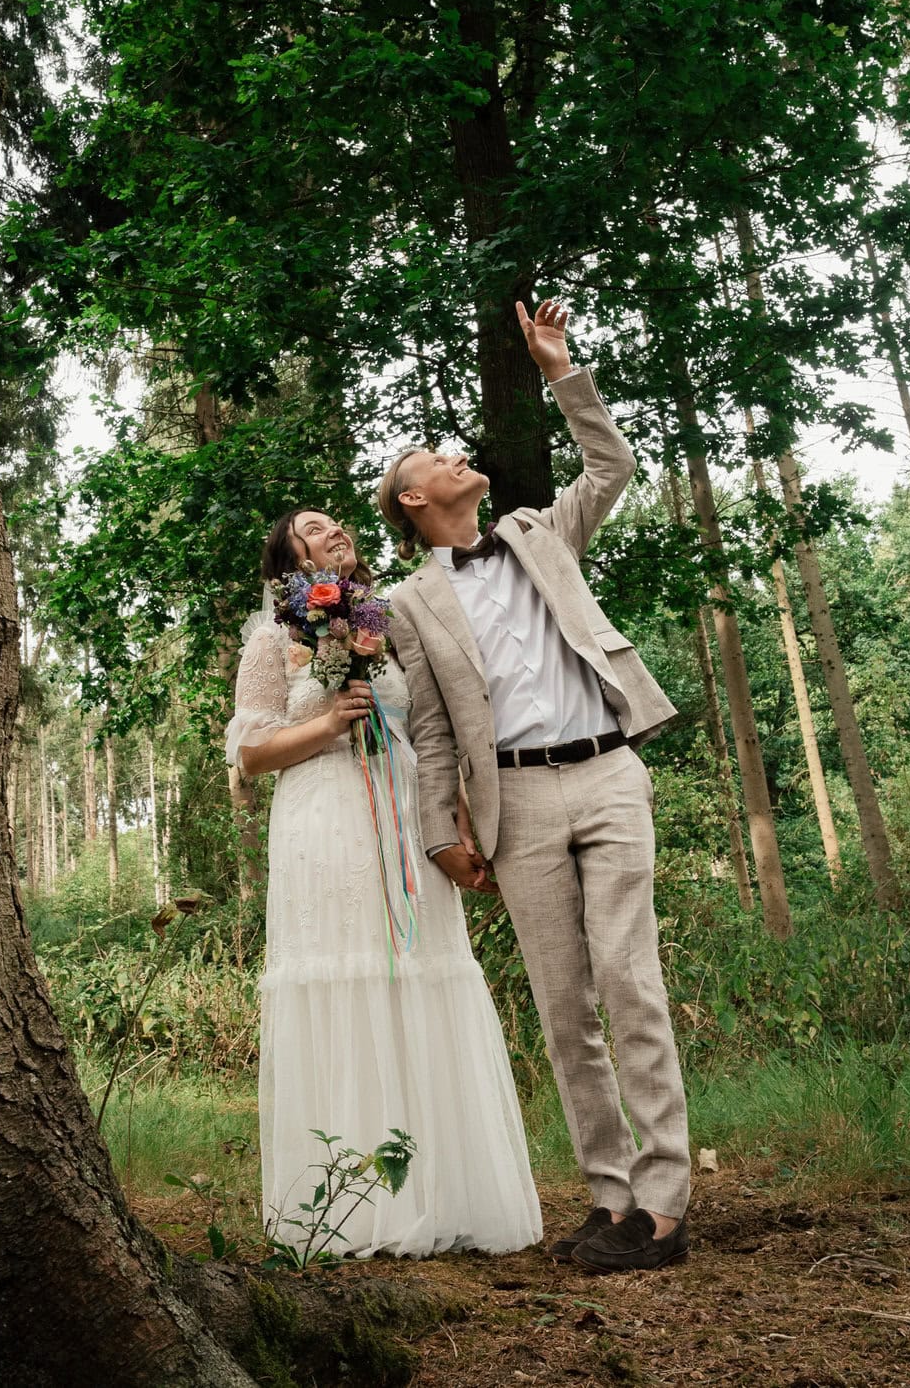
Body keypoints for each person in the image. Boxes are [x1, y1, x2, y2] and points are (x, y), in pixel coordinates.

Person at [379, 299, 691, 1274]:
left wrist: (561, 369)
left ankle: (664, 1206)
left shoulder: (537, 531)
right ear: (413, 501)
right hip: (513, 809)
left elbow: (613, 467)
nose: (453, 452)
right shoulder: (406, 605)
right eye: (433, 454)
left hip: (605, 772)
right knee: (564, 1008)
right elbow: (431, 732)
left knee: (629, 981)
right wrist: (443, 833)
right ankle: (608, 1200)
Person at [225, 509, 542, 1258]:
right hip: (323, 819)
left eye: (337, 521)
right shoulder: (274, 639)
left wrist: (461, 827)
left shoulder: (385, 622)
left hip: (404, 816)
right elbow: (250, 755)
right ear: (288, 558)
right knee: (345, 978)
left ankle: (443, 1193)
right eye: (313, 525)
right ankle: (352, 1207)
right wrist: (329, 722)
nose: (333, 528)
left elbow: (427, 734)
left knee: (422, 972)